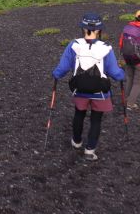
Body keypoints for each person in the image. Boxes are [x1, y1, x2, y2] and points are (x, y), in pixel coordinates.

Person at [52, 12, 125, 161]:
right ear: (99, 30)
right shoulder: (106, 48)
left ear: (83, 28)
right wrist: (121, 76)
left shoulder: (74, 45)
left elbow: (63, 67)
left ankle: (76, 141)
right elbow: (114, 72)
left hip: (80, 89)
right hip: (100, 92)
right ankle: (90, 150)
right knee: (96, 120)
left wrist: (56, 74)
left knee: (79, 114)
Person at [119, 9, 140, 110]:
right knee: (137, 82)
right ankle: (130, 104)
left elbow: (121, 42)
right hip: (138, 60)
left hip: (127, 57)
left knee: (130, 78)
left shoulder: (127, 27)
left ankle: (126, 100)